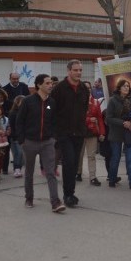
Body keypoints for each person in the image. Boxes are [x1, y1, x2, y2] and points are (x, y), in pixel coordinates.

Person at [16, 74, 65, 213]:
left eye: (51, 83)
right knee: (29, 172)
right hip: (29, 142)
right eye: (47, 83)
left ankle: (55, 202)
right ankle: (29, 198)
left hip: (48, 142)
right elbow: (19, 121)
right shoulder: (28, 101)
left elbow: (55, 122)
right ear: (39, 85)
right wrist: (22, 140)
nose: (51, 85)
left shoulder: (52, 102)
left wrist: (54, 138)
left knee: (50, 172)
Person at [51, 60, 90, 208]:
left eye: (80, 70)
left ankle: (71, 192)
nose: (79, 73)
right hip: (64, 133)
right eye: (76, 70)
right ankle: (67, 194)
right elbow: (52, 111)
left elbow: (84, 109)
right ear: (68, 71)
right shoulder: (59, 89)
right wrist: (54, 133)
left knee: (74, 165)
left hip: (79, 133)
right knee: (69, 162)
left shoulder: (84, 89)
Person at [105, 79, 131, 192]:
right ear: (119, 88)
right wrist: (123, 123)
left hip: (130, 132)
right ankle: (112, 179)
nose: (126, 88)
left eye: (128, 86)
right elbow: (108, 118)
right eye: (124, 86)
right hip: (116, 132)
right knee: (116, 157)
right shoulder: (113, 100)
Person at [78, 81, 105, 186]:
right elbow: (75, 118)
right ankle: (78, 173)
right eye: (85, 88)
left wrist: (102, 132)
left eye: (89, 88)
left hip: (92, 132)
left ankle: (92, 177)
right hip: (80, 132)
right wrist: (89, 120)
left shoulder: (95, 102)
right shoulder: (77, 102)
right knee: (79, 155)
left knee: (91, 156)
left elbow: (100, 119)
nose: (88, 90)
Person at [7, 95, 25, 178]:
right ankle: (17, 169)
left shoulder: (26, 112)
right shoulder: (13, 113)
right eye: (22, 102)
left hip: (23, 136)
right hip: (15, 137)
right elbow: (12, 126)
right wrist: (14, 136)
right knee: (18, 153)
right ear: (17, 103)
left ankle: (18, 168)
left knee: (20, 154)